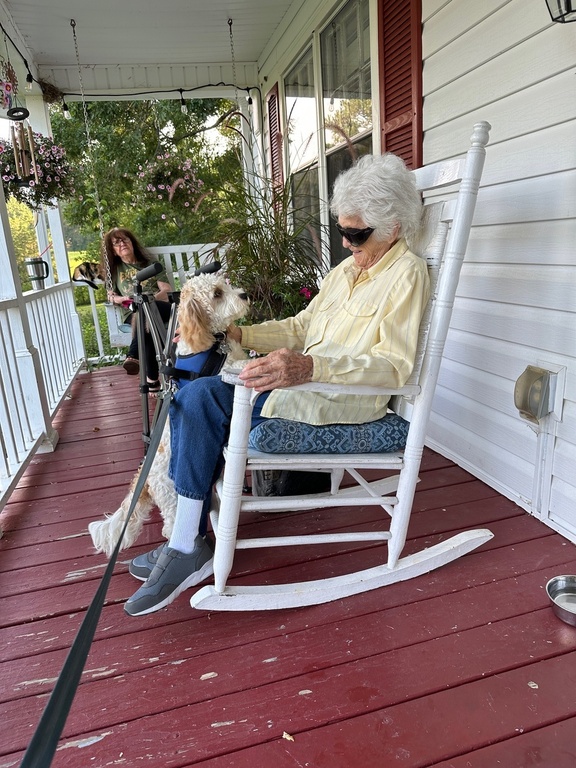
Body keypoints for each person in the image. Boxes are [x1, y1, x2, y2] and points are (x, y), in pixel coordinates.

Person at [124, 152, 430, 617]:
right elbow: (302, 326)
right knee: (190, 397)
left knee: (202, 397)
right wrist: (244, 335)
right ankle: (189, 538)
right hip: (299, 388)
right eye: (342, 231)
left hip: (339, 399)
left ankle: (187, 543)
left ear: (394, 225)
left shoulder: (406, 274)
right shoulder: (346, 272)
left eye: (356, 233)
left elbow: (394, 366)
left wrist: (308, 368)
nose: (346, 243)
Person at [102, 227, 172, 391]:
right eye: (116, 242)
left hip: (159, 307)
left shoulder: (151, 264)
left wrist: (149, 299)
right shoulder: (115, 269)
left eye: (125, 239)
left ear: (132, 242)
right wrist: (122, 299)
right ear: (113, 250)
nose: (122, 243)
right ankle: (152, 379)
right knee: (144, 319)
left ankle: (134, 357)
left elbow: (167, 290)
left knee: (144, 309)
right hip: (133, 311)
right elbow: (110, 296)